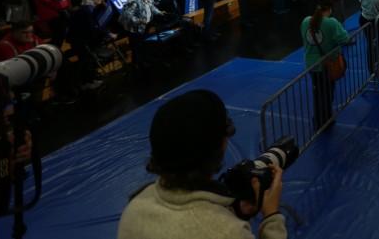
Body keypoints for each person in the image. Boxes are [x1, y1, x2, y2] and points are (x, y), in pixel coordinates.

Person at [116, 90, 287, 239]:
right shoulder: (228, 232)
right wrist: (271, 217)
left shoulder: (133, 209)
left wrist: (237, 211)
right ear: (220, 145)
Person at [301, 1, 352, 132]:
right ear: (329, 9)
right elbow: (345, 39)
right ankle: (325, 119)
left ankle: (319, 118)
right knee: (327, 93)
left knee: (318, 92)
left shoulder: (306, 21)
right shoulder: (332, 23)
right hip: (326, 65)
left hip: (311, 64)